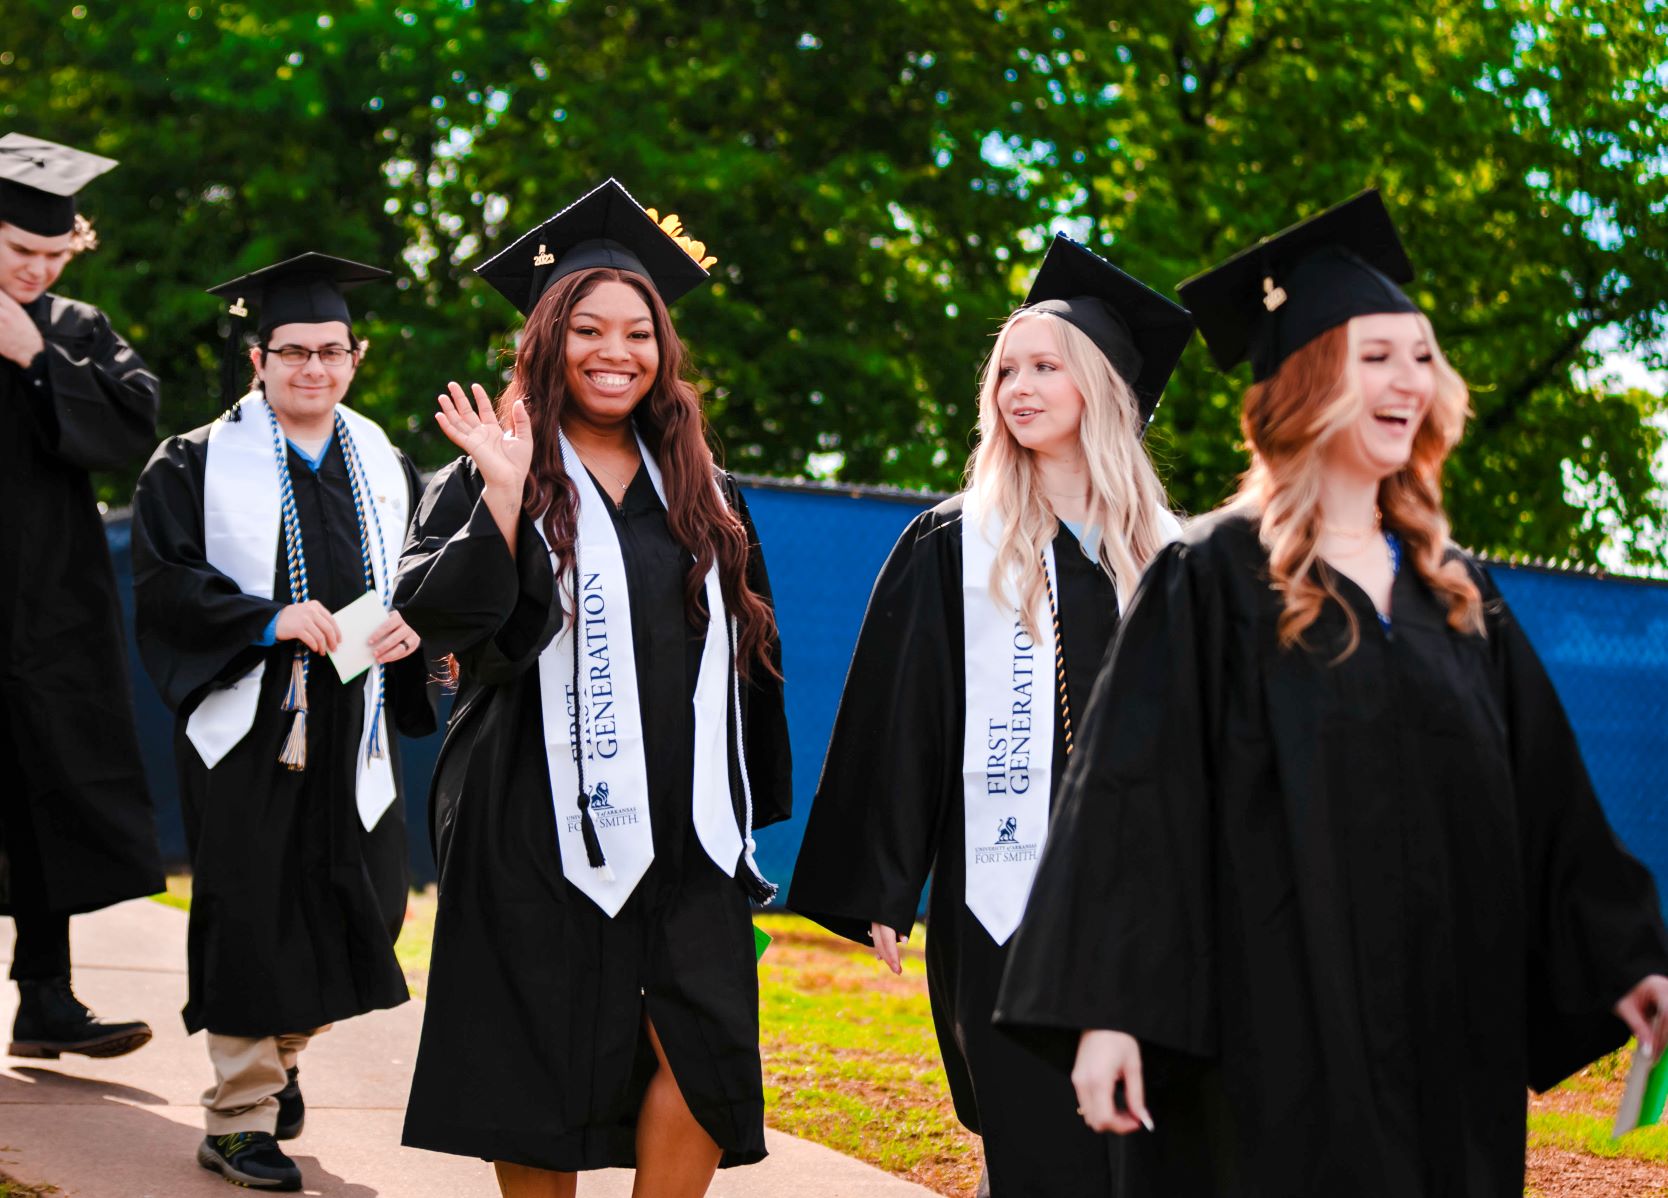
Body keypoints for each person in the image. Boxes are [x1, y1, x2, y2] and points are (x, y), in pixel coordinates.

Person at [993, 190, 1668, 1197]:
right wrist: (1106, 1007)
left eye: (1423, 357)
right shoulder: (1211, 577)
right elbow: (1133, 798)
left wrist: (1630, 959)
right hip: (1273, 1042)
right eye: (1377, 356)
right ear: (1306, 383)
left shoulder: (1457, 592)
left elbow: (1549, 801)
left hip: (1447, 1042)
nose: (1409, 380)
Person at [395, 179, 791, 1198]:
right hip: (529, 809)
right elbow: (446, 632)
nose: (616, 351)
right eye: (588, 328)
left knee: (700, 1048)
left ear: (665, 351)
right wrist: (500, 495)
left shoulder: (707, 490)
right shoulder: (490, 466)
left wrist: (747, 807)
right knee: (535, 1055)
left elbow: (751, 651)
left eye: (639, 333)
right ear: (546, 338)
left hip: (685, 820)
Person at [789, 234, 1193, 1196]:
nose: (1019, 384)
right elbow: (901, 717)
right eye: (1007, 368)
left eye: (1047, 365)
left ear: (1103, 387)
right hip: (1003, 897)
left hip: (1152, 901)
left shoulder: (1173, 558)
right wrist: (885, 880)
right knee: (1037, 1145)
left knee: (1154, 1151)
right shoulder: (954, 543)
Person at [131, 253, 436, 1193]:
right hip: (252, 722)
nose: (313, 368)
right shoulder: (192, 462)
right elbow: (166, 581)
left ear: (358, 355)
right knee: (256, 913)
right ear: (259, 357)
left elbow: (424, 568)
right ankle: (237, 1117)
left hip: (357, 720)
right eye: (292, 351)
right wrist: (265, 620)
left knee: (369, 907)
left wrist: (416, 627)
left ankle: (282, 1061)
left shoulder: (385, 457)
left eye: (331, 351)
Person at [0, 132, 161, 1061]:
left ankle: (46, 997)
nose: (39, 269)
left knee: (45, 788)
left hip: (48, 609)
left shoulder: (76, 329)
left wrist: (35, 358)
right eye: (22, 251)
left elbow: (128, 428)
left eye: (56, 256)